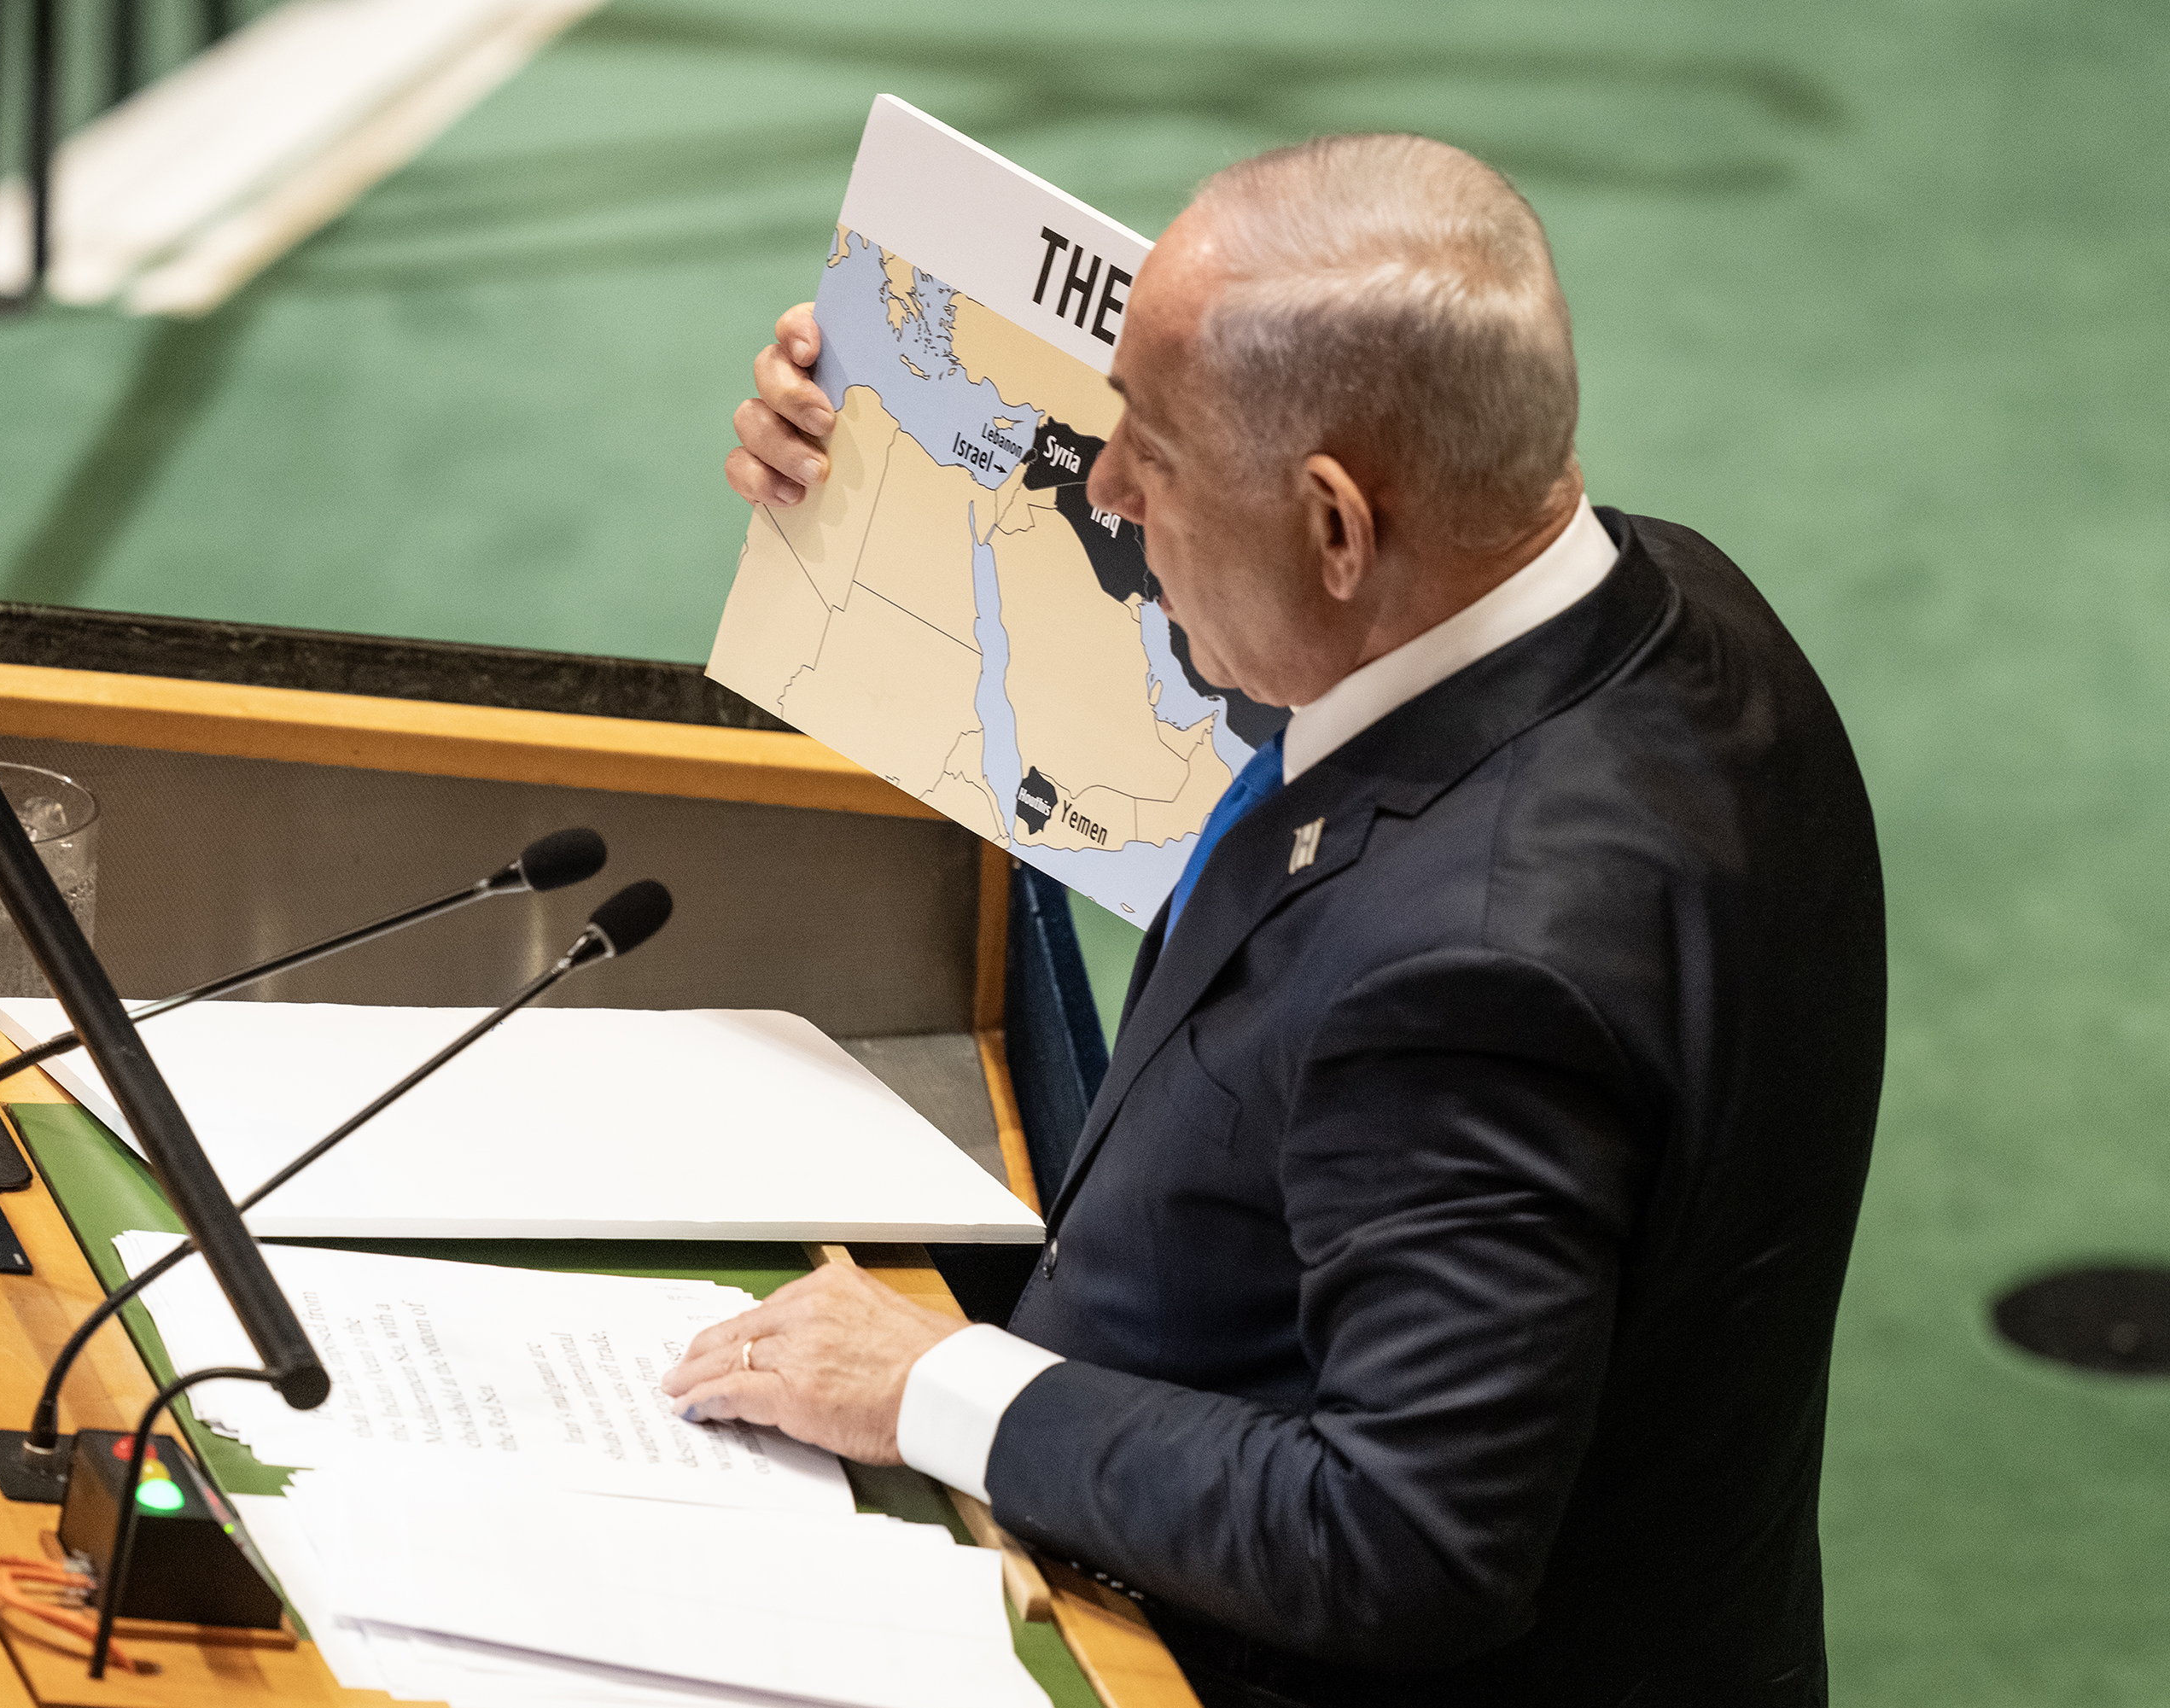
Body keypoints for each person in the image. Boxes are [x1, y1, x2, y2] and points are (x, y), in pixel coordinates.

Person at [662, 132, 1885, 1706]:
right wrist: (881, 474)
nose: (1104, 486)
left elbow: (1406, 1536)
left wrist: (934, 1383)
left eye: (1148, 457)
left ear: (1334, 525)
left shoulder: (1477, 971)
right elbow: (1317, 694)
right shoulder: (1664, 604)